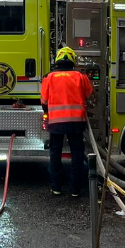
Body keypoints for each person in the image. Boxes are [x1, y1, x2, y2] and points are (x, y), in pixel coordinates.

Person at [41, 46, 93, 197]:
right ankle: (75, 189)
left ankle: (56, 187)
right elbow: (90, 95)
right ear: (72, 60)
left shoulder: (49, 77)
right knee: (77, 154)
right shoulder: (80, 76)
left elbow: (44, 101)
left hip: (56, 123)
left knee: (55, 153)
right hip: (77, 122)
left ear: (57, 60)